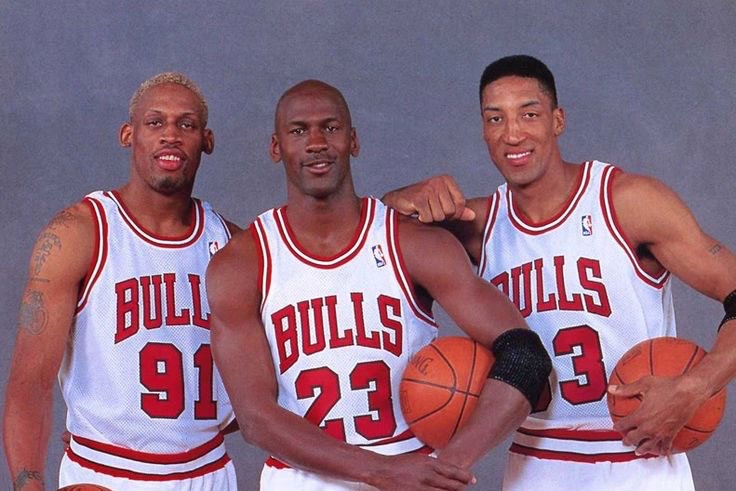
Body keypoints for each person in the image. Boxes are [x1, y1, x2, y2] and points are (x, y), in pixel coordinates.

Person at [382, 54, 736, 490]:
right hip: (536, 464)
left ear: (558, 120)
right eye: (496, 119)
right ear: (484, 131)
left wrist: (695, 387)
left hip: (639, 458)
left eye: (528, 114)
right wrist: (400, 197)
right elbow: (373, 238)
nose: (513, 133)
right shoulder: (479, 225)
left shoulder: (626, 202)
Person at [206, 79, 552, 490]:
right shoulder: (242, 263)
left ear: (353, 141)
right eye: (299, 131)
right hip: (303, 481)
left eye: (330, 128)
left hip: (414, 475)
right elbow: (257, 419)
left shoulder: (412, 243)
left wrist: (449, 464)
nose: (316, 142)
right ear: (276, 147)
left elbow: (525, 356)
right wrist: (382, 472)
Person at [3, 72, 240, 491]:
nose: (171, 134)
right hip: (106, 474)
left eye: (186, 124)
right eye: (155, 122)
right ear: (128, 134)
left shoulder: (233, 246)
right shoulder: (81, 233)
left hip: (207, 472)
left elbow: (273, 381)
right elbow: (30, 384)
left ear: (207, 140)